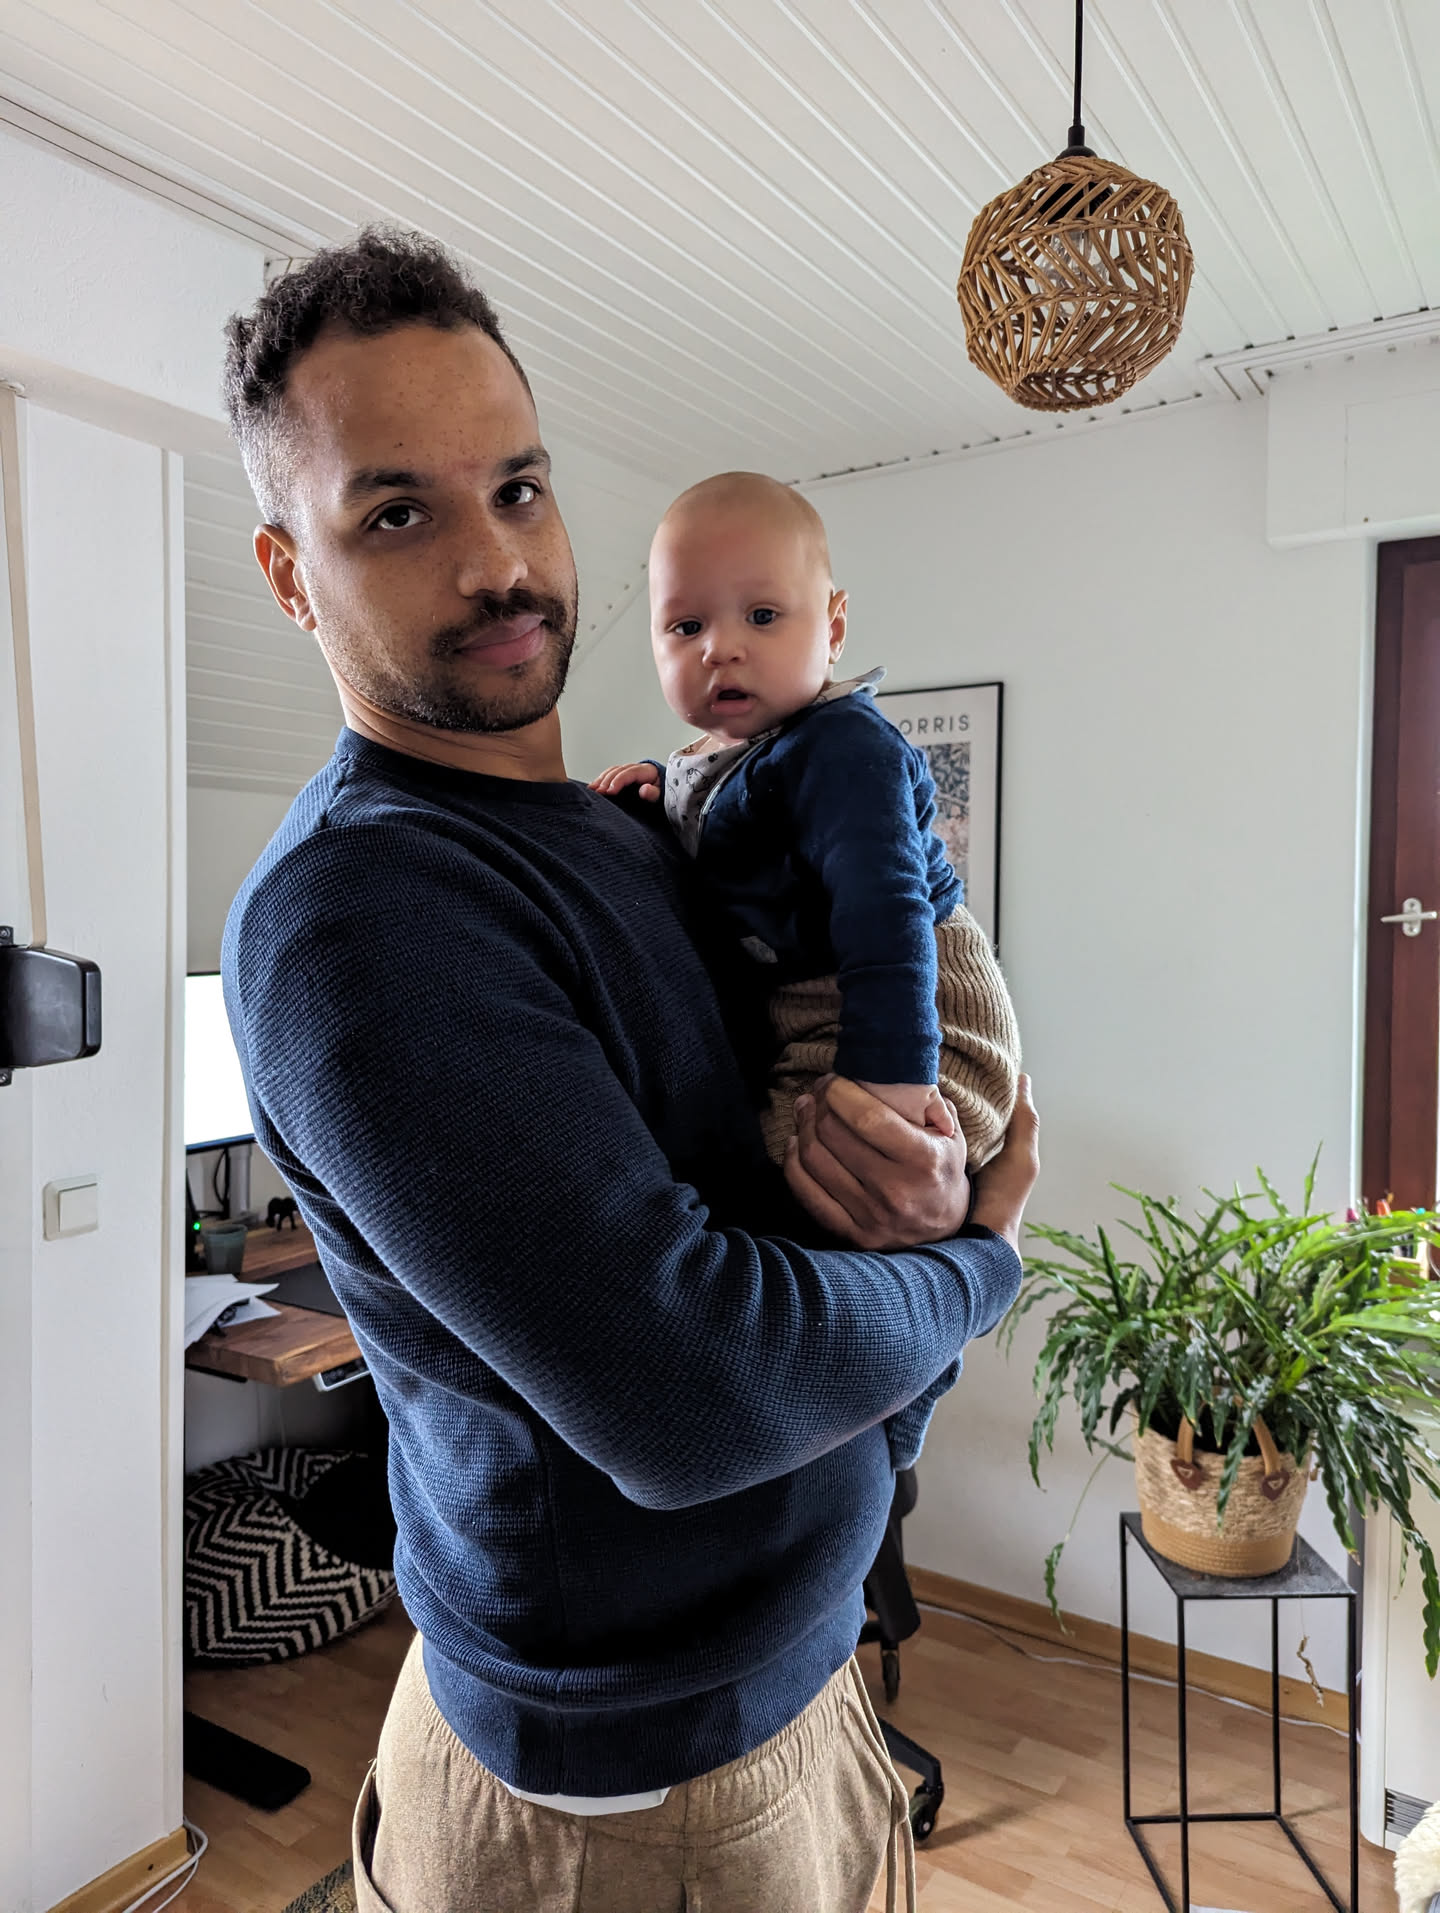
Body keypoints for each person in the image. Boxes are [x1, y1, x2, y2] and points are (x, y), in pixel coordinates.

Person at [220, 227, 1040, 1913]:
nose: (497, 563)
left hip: (794, 1684)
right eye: (398, 514)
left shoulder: (617, 829)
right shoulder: (361, 912)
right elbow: (693, 1392)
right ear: (291, 575)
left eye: (518, 488)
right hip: (629, 1798)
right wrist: (980, 1266)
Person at [591, 471, 1021, 1170]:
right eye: (687, 626)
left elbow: (886, 912)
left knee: (767, 1180)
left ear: (834, 627)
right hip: (815, 1015)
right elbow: (731, 820)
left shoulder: (845, 748)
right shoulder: (733, 754)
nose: (719, 647)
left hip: (925, 1024)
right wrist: (662, 791)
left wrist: (892, 1086)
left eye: (762, 616)